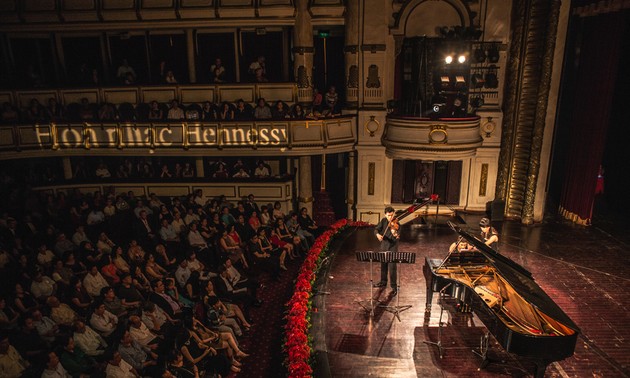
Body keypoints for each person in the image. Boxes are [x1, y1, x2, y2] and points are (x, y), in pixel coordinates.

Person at [373, 206, 399, 295]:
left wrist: (394, 233)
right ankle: (383, 282)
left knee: (392, 268)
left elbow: (397, 236)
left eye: (392, 215)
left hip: (392, 248)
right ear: (385, 214)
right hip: (384, 246)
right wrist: (377, 235)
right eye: (388, 215)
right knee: (383, 266)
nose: (390, 218)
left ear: (394, 214)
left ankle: (394, 287)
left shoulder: (397, 223)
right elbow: (376, 229)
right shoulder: (383, 221)